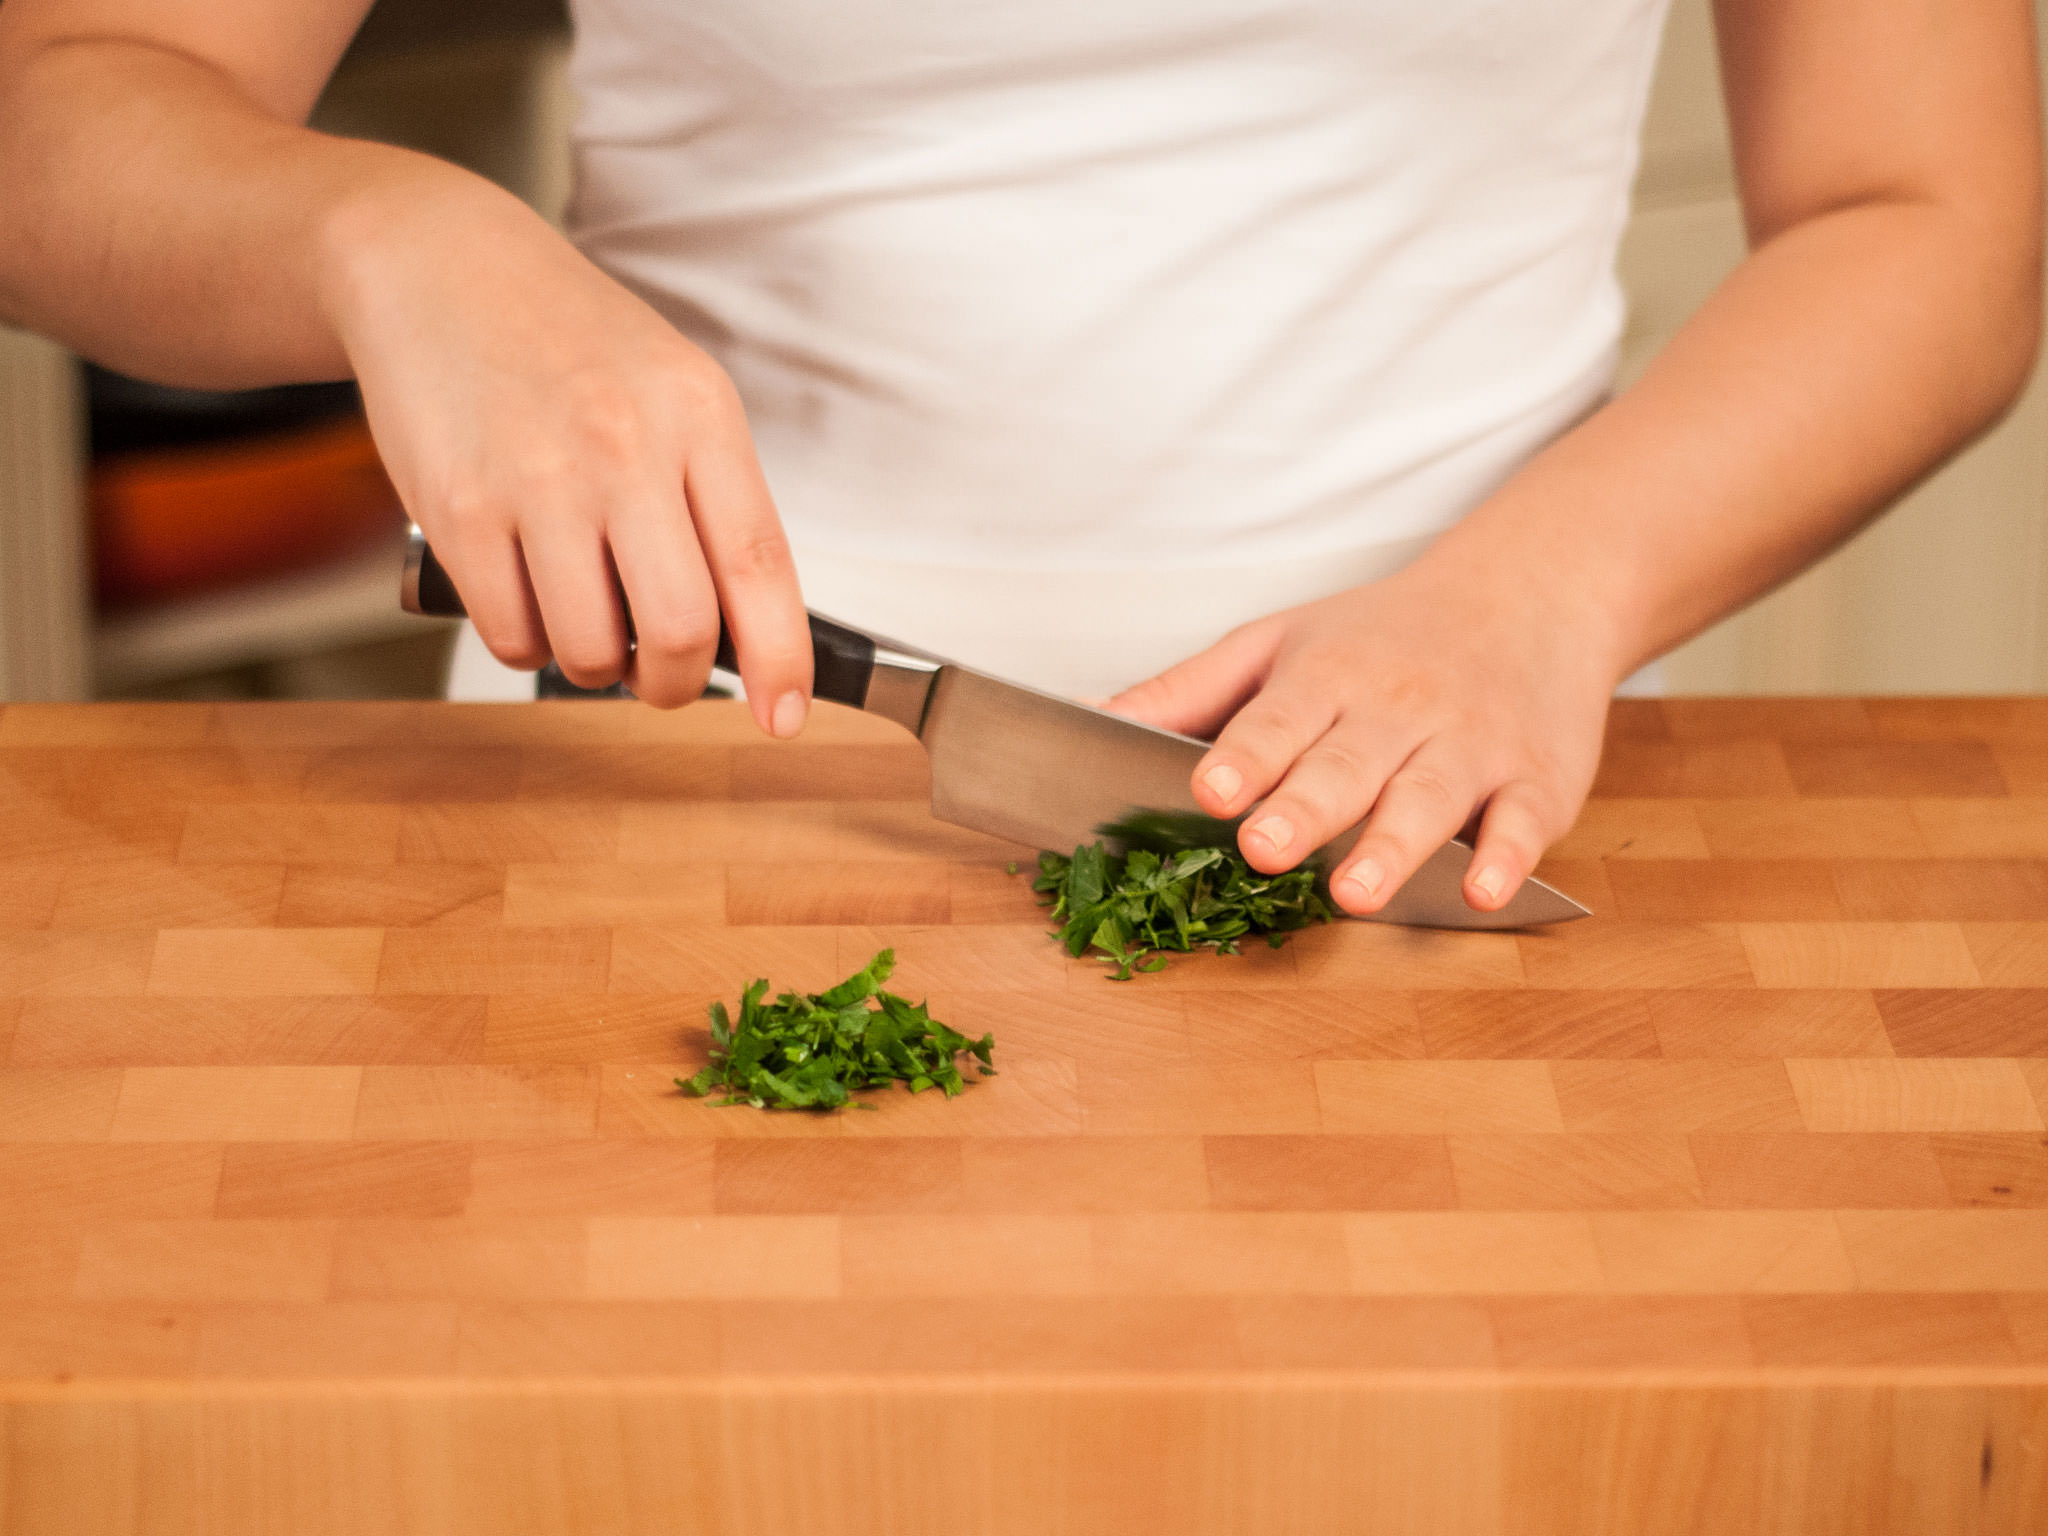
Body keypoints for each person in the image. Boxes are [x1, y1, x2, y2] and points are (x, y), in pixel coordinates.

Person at [0, 1, 2038, 919]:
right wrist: (398, 237)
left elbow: (1926, 209)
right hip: (663, 786)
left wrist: (1547, 593)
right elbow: (62, 106)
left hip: (1464, 797)